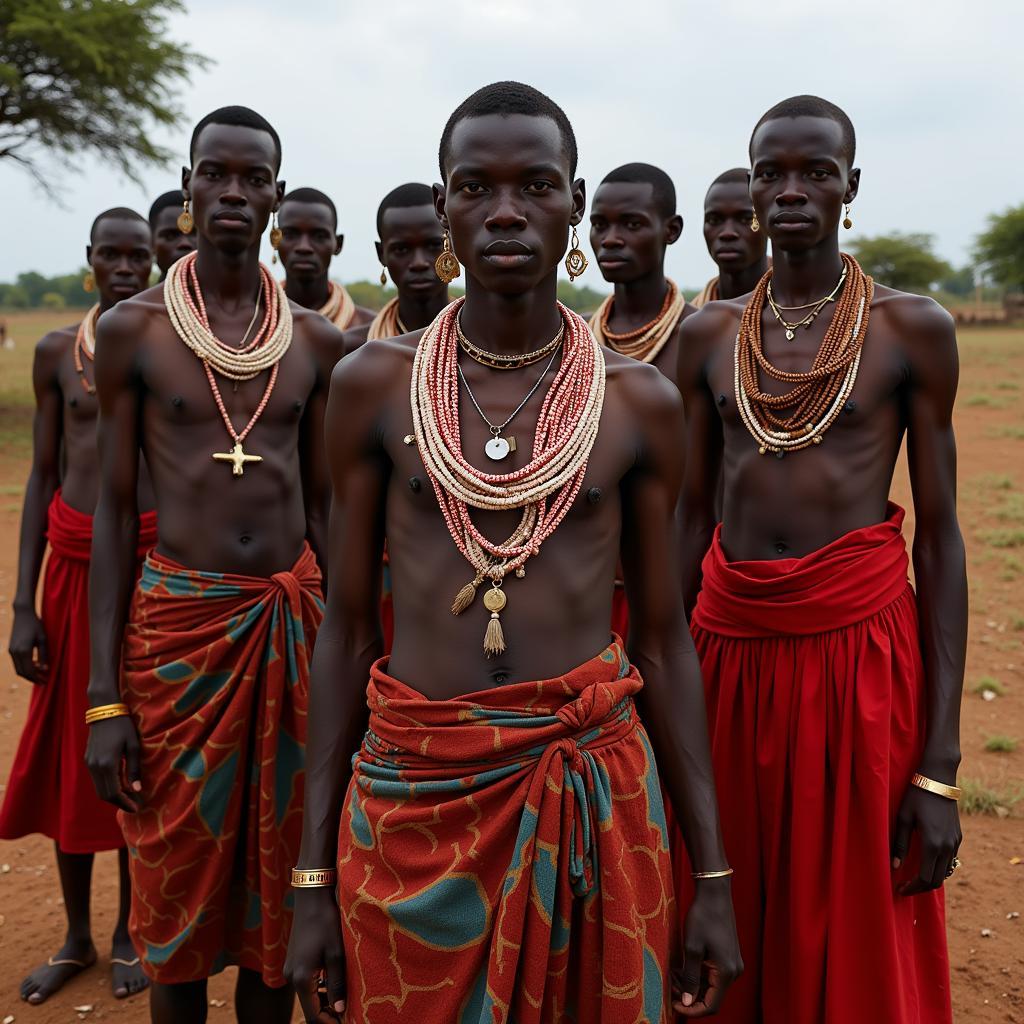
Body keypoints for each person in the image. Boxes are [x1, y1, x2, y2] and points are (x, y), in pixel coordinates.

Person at [285, 80, 742, 1024]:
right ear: (445, 207)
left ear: (573, 204)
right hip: (416, 796)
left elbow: (662, 642)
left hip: (593, 797)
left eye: (535, 186)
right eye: (474, 187)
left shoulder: (637, 402)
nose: (504, 211)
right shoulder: (373, 385)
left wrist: (714, 875)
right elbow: (345, 632)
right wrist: (310, 876)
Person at [676, 95, 964, 1024]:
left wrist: (939, 767)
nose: (791, 191)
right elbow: (688, 518)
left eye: (816, 173)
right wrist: (659, 681)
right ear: (752, 187)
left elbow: (944, 535)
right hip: (728, 648)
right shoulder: (708, 337)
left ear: (851, 187)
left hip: (857, 654)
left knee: (851, 902)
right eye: (772, 174)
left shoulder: (910, 328)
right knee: (720, 888)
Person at [84, 106, 345, 1024]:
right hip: (180, 639)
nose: (234, 191)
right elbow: (115, 515)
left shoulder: (313, 343)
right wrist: (105, 698)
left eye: (253, 177)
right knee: (175, 889)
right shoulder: (135, 332)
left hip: (291, 631)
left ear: (275, 193)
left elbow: (326, 511)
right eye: (215, 174)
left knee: (276, 896)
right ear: (190, 188)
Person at [1, 208, 156, 1005]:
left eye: (140, 256)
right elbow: (42, 474)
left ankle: (133, 929)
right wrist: (23, 603)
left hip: (143, 573)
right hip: (69, 570)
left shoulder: (163, 348)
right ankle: (76, 934)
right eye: (112, 256)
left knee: (134, 751)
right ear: (89, 260)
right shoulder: (60, 351)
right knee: (70, 751)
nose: (126, 269)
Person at [588, 162, 695, 642]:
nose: (611, 238)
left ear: (670, 231)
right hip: (582, 587)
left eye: (632, 224)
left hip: (680, 582)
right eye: (600, 224)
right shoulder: (572, 343)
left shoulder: (703, 339)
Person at [342, 182, 450, 352]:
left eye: (433, 245)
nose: (419, 263)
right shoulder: (354, 349)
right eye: (401, 249)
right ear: (381, 254)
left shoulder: (488, 342)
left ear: (452, 245)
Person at [277, 187, 374, 330]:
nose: (304, 247)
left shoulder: (369, 331)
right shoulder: (251, 322)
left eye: (319, 236)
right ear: (275, 239)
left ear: (338, 244)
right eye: (291, 234)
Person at [691, 168, 769, 307]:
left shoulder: (805, 317)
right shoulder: (687, 323)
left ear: (768, 222)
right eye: (714, 220)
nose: (727, 233)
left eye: (745, 219)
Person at [148, 190, 197, 280]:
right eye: (170, 236)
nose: (185, 243)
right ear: (151, 243)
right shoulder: (139, 294)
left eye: (197, 235)